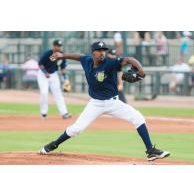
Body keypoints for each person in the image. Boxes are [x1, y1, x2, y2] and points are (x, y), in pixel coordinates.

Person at [39, 41, 170, 161]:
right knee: (76, 129)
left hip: (114, 103)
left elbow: (129, 60)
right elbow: (78, 56)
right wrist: (62, 56)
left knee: (138, 118)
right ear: (93, 52)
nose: (102, 52)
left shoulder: (111, 63)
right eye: (99, 50)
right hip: (95, 104)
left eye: (103, 50)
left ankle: (150, 151)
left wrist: (140, 69)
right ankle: (53, 144)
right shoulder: (87, 60)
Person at [37, 39, 71, 119]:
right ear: (54, 46)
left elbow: (62, 68)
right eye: (57, 46)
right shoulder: (48, 53)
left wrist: (66, 79)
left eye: (60, 46)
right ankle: (43, 113)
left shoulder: (62, 55)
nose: (59, 47)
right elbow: (40, 64)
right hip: (43, 74)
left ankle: (64, 113)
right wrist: (45, 73)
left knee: (58, 93)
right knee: (44, 93)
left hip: (53, 75)